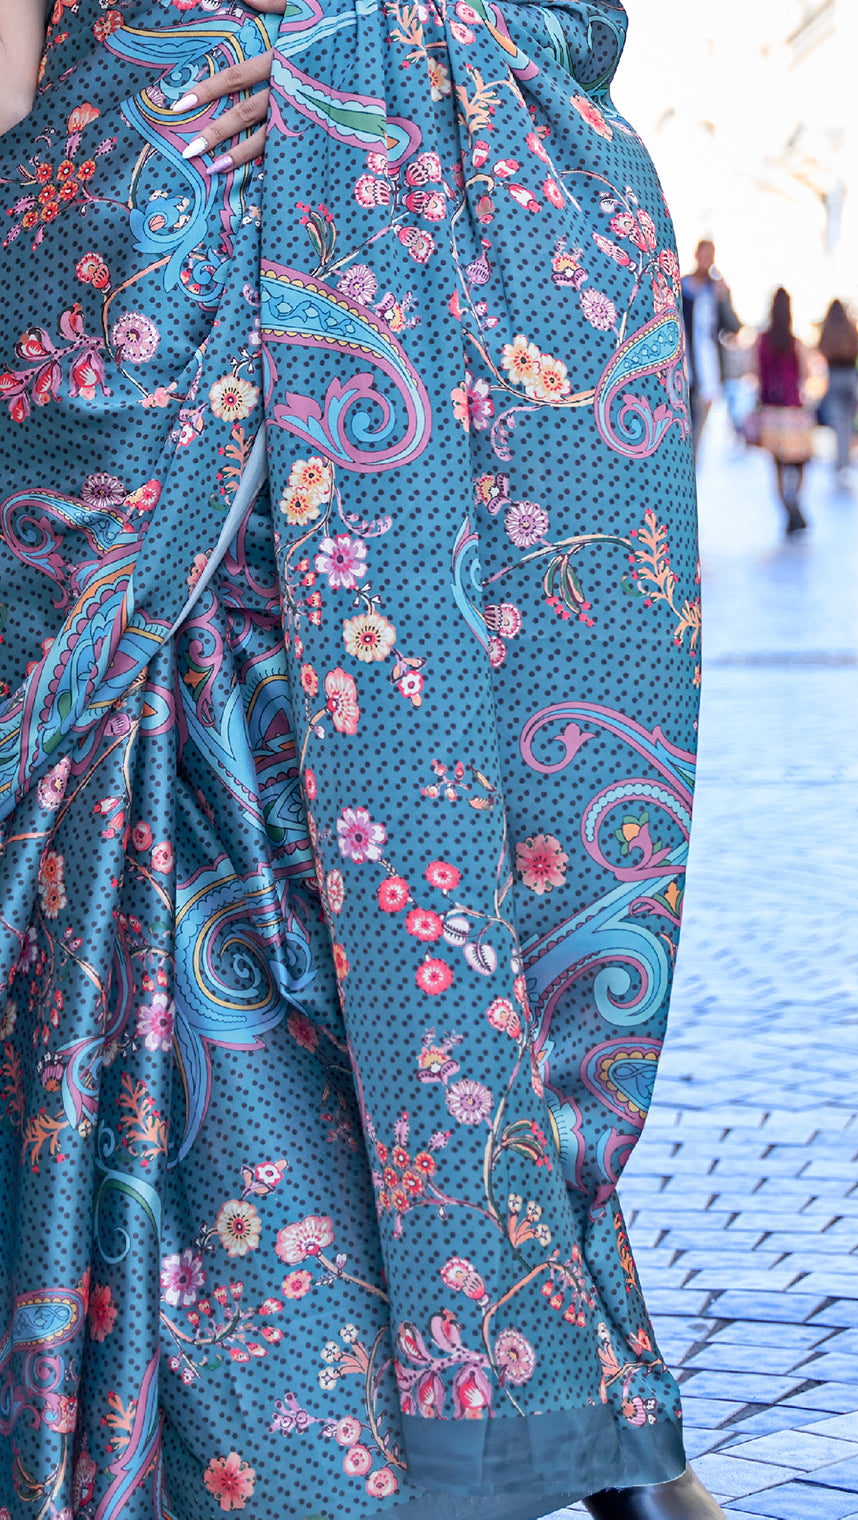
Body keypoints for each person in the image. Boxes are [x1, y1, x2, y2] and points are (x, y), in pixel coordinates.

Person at [0, 3, 719, 1519]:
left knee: (433, 896)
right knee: (255, 894)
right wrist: (130, 146)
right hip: (148, 302)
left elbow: (573, 23)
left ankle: (548, 1383)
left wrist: (351, 71)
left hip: (399, 320)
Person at [754, 288, 812, 534]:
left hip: (770, 409)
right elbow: (806, 373)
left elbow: (755, 372)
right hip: (793, 409)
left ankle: (787, 509)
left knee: (777, 465)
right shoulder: (795, 342)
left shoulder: (762, 342)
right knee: (800, 462)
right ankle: (794, 502)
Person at [681, 240, 741, 454]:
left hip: (706, 374)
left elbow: (732, 328)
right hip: (682, 369)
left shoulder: (716, 290)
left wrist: (724, 299)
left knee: (695, 437)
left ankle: (691, 480)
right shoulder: (682, 286)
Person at [818, 299, 858, 485]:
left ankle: (841, 463)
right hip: (850, 376)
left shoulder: (828, 331)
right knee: (847, 422)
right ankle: (845, 463)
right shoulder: (850, 329)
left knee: (838, 422)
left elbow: (822, 349)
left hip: (836, 376)